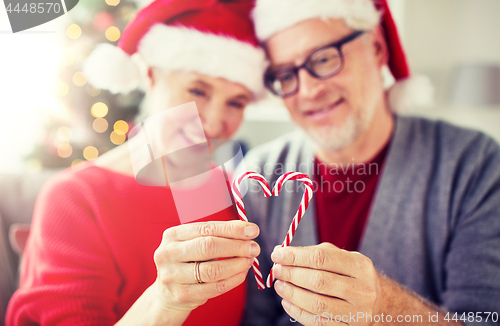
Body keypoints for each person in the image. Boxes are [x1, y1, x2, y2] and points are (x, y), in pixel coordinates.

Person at [6, 0, 269, 325]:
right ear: (149, 74)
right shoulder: (76, 198)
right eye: (198, 90)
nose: (215, 124)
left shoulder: (223, 190)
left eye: (236, 102)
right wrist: (165, 302)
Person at [239, 0, 500, 325]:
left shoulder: (473, 166)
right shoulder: (258, 176)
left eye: (323, 58)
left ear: (377, 46)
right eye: (285, 74)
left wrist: (385, 309)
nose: (308, 91)